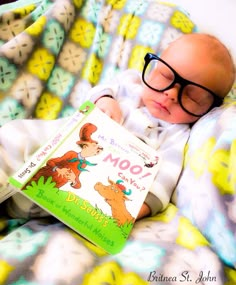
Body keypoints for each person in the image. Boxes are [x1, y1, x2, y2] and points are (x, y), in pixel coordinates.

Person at [0, 33, 235, 220]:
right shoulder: (130, 83)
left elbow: (166, 176)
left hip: (74, 187)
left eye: (192, 97)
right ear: (154, 66)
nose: (171, 94)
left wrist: (140, 208)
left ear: (209, 109)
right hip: (54, 144)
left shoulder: (177, 134)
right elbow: (99, 91)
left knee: (34, 200)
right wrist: (105, 100)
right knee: (15, 135)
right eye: (165, 76)